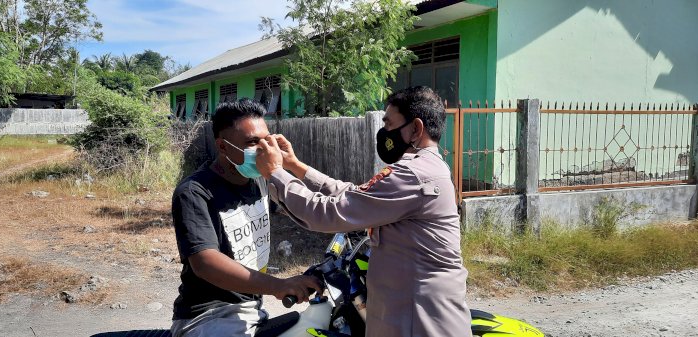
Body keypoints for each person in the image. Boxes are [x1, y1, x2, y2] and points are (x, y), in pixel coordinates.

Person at [255, 86, 472, 337]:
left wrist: (276, 173)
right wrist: (295, 166)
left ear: (416, 129)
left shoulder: (414, 175)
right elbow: (353, 193)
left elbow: (328, 212)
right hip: (412, 315)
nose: (385, 132)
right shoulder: (426, 168)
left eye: (389, 124)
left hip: (419, 323)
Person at [170, 99, 322, 337]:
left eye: (266, 139)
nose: (263, 149)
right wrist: (279, 285)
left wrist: (291, 165)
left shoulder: (260, 179)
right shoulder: (194, 192)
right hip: (209, 317)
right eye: (252, 142)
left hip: (252, 310)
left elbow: (313, 207)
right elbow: (205, 263)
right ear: (222, 147)